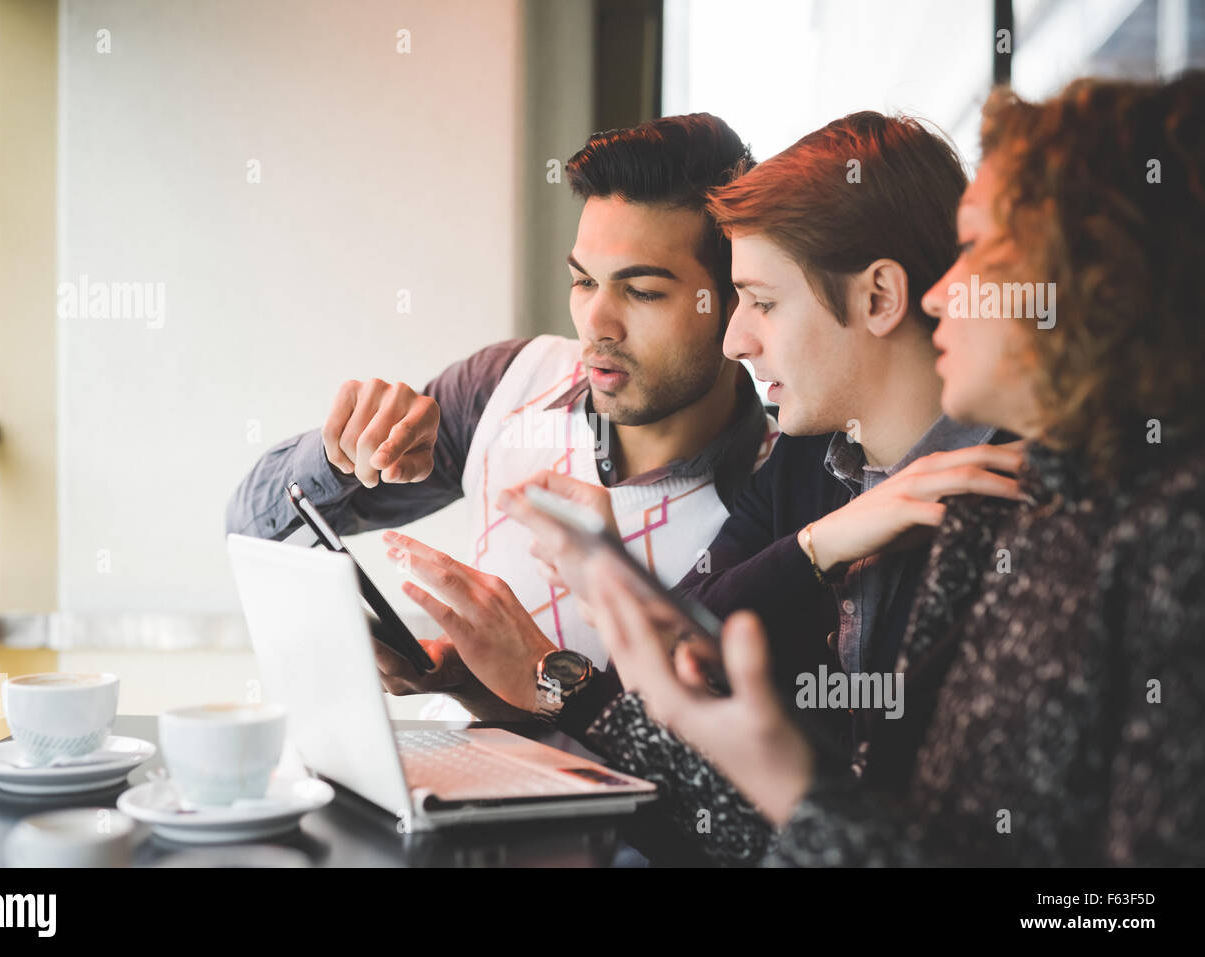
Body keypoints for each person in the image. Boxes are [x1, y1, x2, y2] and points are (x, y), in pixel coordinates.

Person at [584, 72, 1205, 866]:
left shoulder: (1115, 519)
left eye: (983, 251)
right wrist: (575, 683)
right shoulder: (1029, 503)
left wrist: (785, 781)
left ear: (1098, 280)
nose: (943, 294)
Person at [417, 111, 1024, 863]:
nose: (735, 339)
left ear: (877, 298)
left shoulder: (1018, 512)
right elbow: (697, 659)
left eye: (761, 302)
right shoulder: (814, 464)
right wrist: (820, 543)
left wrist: (555, 672)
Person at [225, 113, 776, 720]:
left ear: (734, 302)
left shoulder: (781, 494)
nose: (596, 322)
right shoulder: (507, 385)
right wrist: (340, 458)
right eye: (583, 281)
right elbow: (253, 526)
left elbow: (712, 770)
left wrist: (539, 674)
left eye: (641, 291)